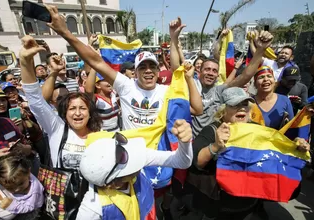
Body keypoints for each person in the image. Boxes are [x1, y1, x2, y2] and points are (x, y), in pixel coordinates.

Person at [44, 9, 203, 130]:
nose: (148, 71)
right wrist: (64, 32)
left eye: (152, 67)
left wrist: (174, 40)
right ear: (136, 72)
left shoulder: (165, 91)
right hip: (131, 160)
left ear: (158, 71)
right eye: (143, 67)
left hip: (157, 165)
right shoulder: (126, 85)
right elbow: (96, 62)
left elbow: (197, 109)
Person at [186, 87, 310, 220]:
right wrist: (215, 146)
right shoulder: (212, 130)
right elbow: (197, 162)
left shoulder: (257, 130)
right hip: (218, 205)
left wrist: (293, 149)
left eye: (245, 104)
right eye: (235, 105)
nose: (242, 108)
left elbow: (273, 155)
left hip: (249, 204)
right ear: (223, 110)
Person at [77, 119, 193, 219]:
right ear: (114, 184)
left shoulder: (134, 155)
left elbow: (182, 161)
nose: (135, 157)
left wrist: (185, 143)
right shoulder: (92, 208)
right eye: (127, 161)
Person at [19, 35, 102, 169]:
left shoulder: (99, 134)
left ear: (90, 113)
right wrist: (25, 60)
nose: (77, 113)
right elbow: (35, 99)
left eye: (82, 108)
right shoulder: (57, 129)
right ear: (64, 112)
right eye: (72, 108)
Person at [185, 29, 274, 138]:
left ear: (218, 75)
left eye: (214, 71)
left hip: (215, 141)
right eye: (207, 69)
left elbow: (244, 77)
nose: (210, 73)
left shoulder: (220, 91)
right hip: (193, 141)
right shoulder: (190, 86)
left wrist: (260, 49)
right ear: (199, 71)